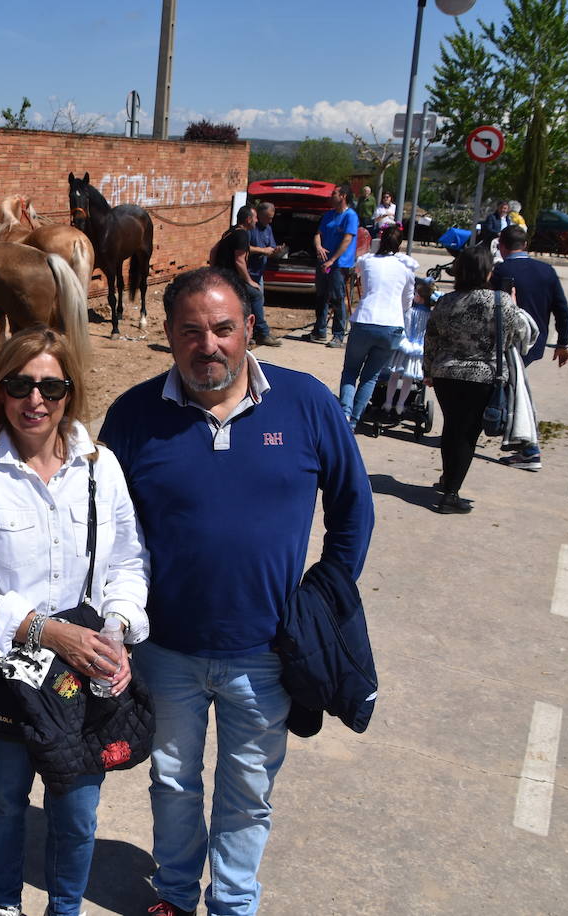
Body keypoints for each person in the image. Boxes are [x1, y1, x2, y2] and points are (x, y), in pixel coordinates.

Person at [101, 267, 374, 916]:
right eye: (191, 331)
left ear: (249, 327)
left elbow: (353, 509)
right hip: (165, 650)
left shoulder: (306, 403)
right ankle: (172, 893)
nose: (209, 345)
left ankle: (232, 902)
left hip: (267, 651)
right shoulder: (135, 416)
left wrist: (323, 601)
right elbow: (103, 529)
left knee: (247, 790)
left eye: (224, 328)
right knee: (172, 782)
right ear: (169, 336)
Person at [0, 326, 150, 916]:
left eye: (51, 387)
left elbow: (129, 562)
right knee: (5, 800)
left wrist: (117, 629)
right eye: (20, 385)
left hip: (84, 671)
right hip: (9, 669)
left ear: (69, 391)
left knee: (77, 810)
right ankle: (5, 905)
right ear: (0, 392)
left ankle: (65, 909)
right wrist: (46, 629)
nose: (36, 400)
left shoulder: (99, 467)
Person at [424, 246, 534, 514]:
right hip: (482, 376)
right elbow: (520, 337)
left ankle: (448, 478)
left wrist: (428, 370)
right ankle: (450, 495)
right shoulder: (500, 301)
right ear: (487, 271)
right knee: (467, 434)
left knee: (452, 427)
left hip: (445, 375)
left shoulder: (446, 301)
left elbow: (431, 338)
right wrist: (514, 305)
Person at [492, 224, 568, 471]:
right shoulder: (546, 271)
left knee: (514, 394)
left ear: (502, 246)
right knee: (514, 389)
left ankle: (528, 447)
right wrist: (563, 342)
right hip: (534, 343)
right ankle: (518, 441)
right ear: (525, 245)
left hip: (506, 343)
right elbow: (561, 308)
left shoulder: (500, 270)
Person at [337, 225, 417, 430]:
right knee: (371, 376)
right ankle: (355, 419)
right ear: (400, 244)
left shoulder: (367, 262)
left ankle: (344, 413)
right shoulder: (406, 268)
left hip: (365, 318)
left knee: (351, 371)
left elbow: (362, 280)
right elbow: (407, 301)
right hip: (391, 325)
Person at [213, 205, 277, 347]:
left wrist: (214, 271)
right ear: (248, 219)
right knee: (256, 294)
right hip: (230, 280)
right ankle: (262, 334)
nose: (256, 221)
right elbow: (239, 260)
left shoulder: (230, 231)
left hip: (221, 277)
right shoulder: (242, 234)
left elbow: (213, 250)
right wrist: (249, 281)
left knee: (246, 302)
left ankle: (249, 334)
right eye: (255, 218)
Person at [381, 276, 437, 421]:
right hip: (417, 350)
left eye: (416, 294)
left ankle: (388, 402)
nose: (414, 296)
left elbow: (403, 326)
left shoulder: (409, 312)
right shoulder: (430, 316)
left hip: (404, 346)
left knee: (394, 375)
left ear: (421, 297)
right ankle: (400, 404)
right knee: (408, 379)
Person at [311, 185, 359, 348]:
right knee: (321, 296)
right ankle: (319, 330)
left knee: (337, 298)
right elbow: (318, 234)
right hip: (324, 263)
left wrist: (333, 260)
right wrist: (318, 246)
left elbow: (347, 240)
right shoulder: (329, 215)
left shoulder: (350, 216)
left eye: (334, 193)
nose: (331, 196)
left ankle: (338, 335)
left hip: (339, 264)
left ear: (343, 196)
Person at [247, 202, 284, 347]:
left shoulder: (268, 228)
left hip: (259, 273)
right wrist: (263, 251)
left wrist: (276, 251)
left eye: (272, 218)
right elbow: (244, 248)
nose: (270, 221)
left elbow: (271, 246)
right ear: (259, 214)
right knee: (251, 304)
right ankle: (260, 333)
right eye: (268, 217)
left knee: (258, 304)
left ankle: (256, 333)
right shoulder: (250, 228)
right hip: (247, 273)